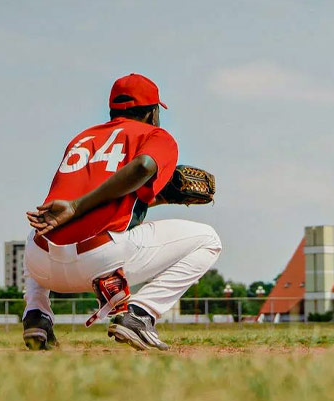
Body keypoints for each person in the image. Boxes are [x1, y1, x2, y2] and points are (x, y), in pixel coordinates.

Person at [22, 73, 222, 350]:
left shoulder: (82, 138)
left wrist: (157, 199)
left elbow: (94, 202)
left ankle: (37, 315)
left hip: (41, 264)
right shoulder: (156, 135)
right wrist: (77, 206)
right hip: (99, 259)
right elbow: (142, 167)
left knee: (40, 230)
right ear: (153, 112)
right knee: (209, 240)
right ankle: (140, 315)